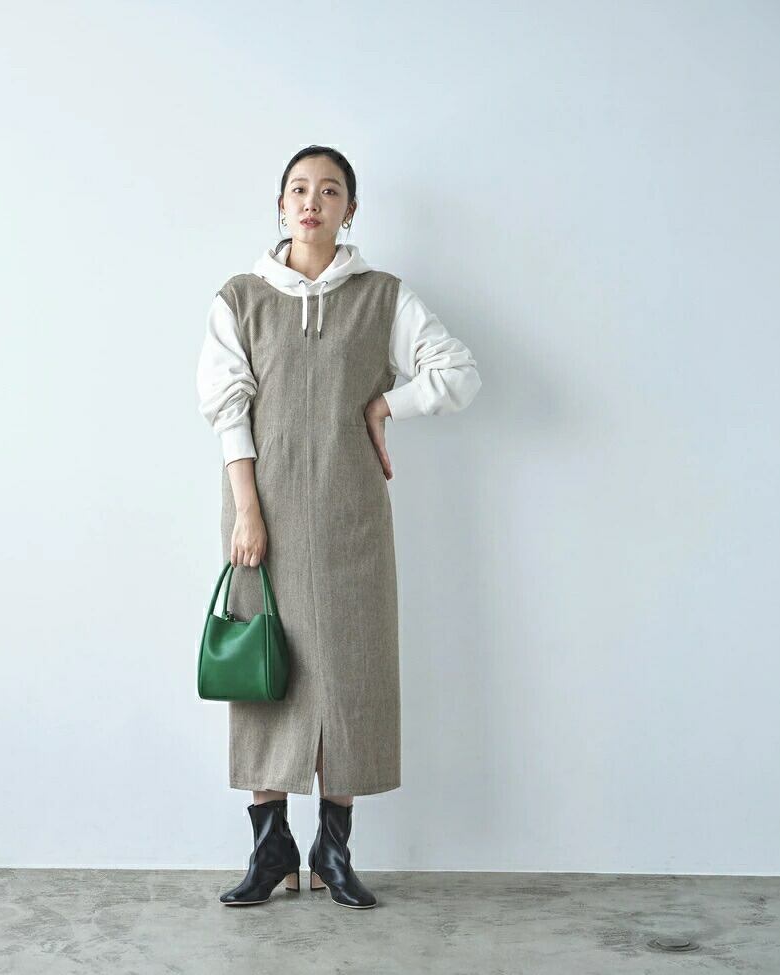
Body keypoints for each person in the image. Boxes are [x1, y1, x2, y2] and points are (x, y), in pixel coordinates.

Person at [196, 145, 482, 909]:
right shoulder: (240, 297)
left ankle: (333, 849)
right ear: (280, 204)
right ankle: (270, 849)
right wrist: (248, 509)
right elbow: (227, 407)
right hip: (262, 515)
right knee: (265, 671)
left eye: (329, 191)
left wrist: (388, 403)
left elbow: (457, 370)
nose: (311, 201)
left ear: (349, 209)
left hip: (352, 517)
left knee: (349, 671)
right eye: (298, 188)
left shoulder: (382, 297)